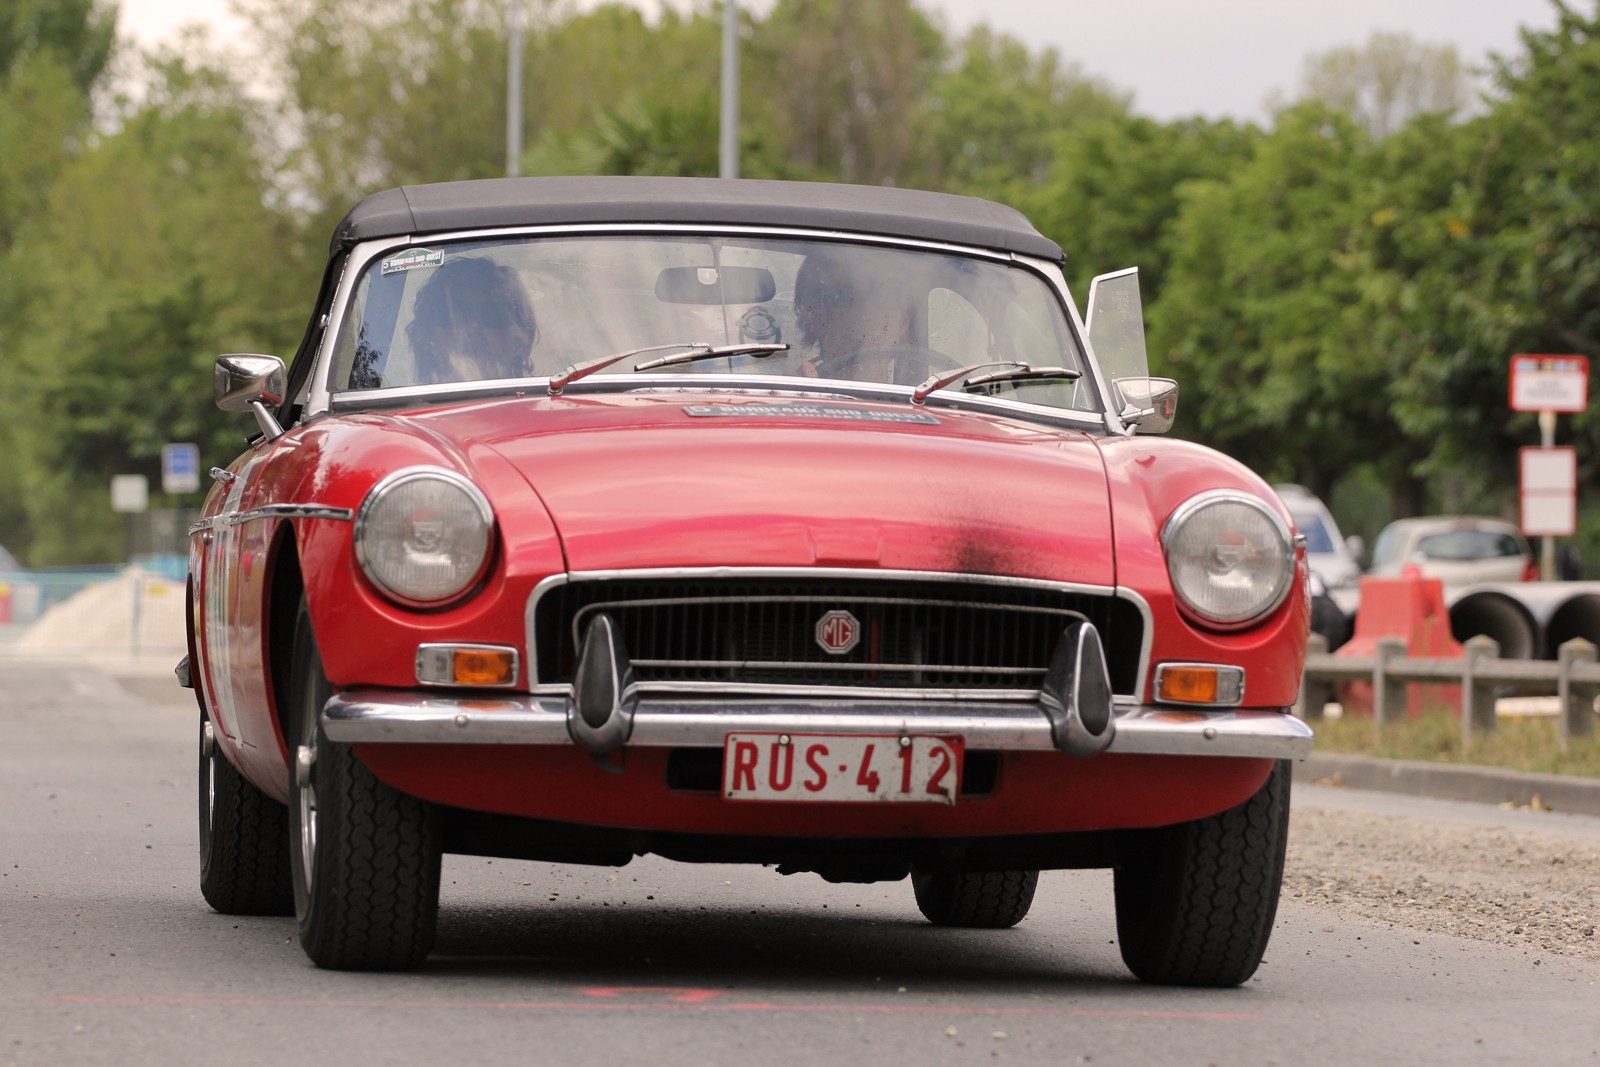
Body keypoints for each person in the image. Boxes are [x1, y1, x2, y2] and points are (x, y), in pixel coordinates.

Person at [791, 246, 921, 383]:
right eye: (846, 297)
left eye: (886, 296)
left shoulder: (933, 397)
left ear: (905, 322)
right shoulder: (799, 394)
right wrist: (797, 398)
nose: (869, 310)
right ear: (815, 317)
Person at [405, 257, 538, 385]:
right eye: (453, 316)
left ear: (521, 338)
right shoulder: (396, 404)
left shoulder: (548, 401)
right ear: (427, 335)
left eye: (492, 315)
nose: (473, 328)